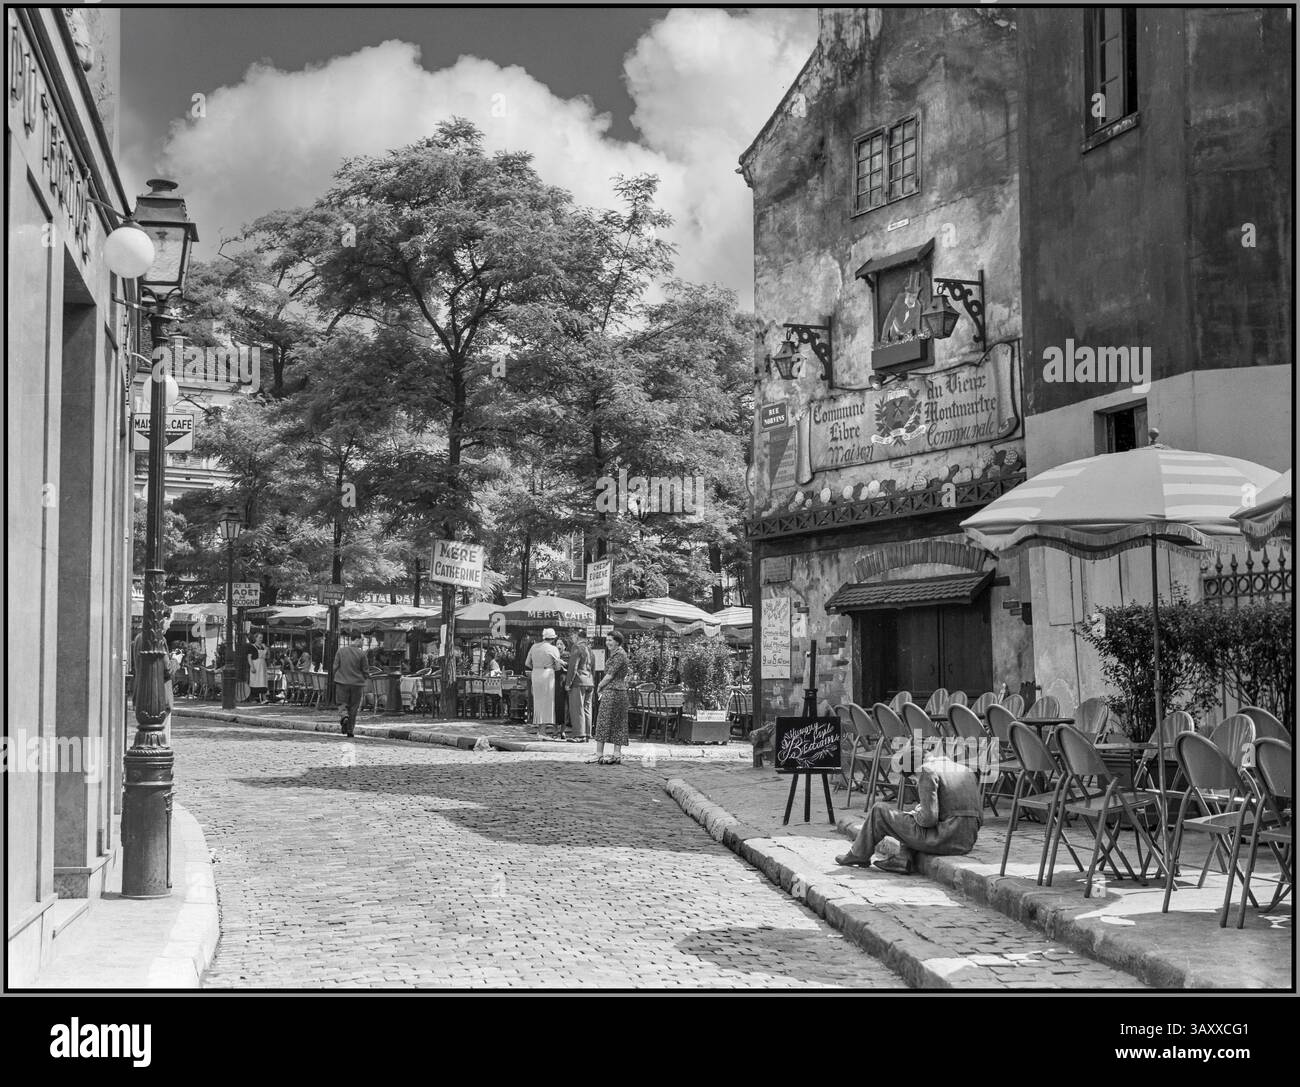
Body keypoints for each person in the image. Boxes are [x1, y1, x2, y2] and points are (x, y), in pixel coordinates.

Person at [835, 750, 983, 873]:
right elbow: (979, 817)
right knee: (910, 821)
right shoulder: (965, 770)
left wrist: (915, 814)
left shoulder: (927, 771)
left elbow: (928, 819)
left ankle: (858, 854)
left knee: (879, 811)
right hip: (967, 841)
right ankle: (902, 859)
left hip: (944, 840)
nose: (915, 782)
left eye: (914, 778)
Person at [591, 631, 630, 765]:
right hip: (619, 691)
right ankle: (616, 754)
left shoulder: (619, 655)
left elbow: (610, 675)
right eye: (607, 640)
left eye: (610, 640)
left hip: (613, 691)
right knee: (617, 722)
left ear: (617, 641)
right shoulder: (618, 654)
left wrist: (599, 685)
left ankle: (600, 754)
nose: (608, 642)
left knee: (604, 720)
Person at [524, 628, 566, 738]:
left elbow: (527, 663)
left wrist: (537, 667)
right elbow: (557, 667)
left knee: (538, 702)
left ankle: (540, 730)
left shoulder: (534, 647)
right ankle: (542, 731)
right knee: (547, 703)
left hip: (536, 673)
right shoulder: (553, 649)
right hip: (548, 674)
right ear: (553, 638)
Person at [333, 631, 369, 737]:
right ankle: (350, 730)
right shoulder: (362, 654)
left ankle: (344, 716)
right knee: (354, 707)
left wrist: (335, 677)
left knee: (342, 703)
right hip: (357, 684)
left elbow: (335, 667)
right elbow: (365, 670)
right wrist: (365, 677)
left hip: (342, 682)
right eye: (362, 640)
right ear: (357, 639)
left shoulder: (340, 651)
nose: (363, 642)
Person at [564, 629, 595, 743]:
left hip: (578, 681)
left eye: (572, 636)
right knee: (587, 708)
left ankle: (579, 734)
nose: (572, 638)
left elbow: (573, 666)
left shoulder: (577, 647)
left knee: (577, 708)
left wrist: (568, 683)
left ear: (577, 636)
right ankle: (587, 733)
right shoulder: (589, 649)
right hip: (589, 681)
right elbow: (593, 668)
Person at [246, 631, 269, 704]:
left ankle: (264, 698)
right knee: (255, 681)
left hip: (262, 665)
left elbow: (267, 656)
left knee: (263, 681)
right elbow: (249, 657)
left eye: (262, 638)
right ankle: (252, 698)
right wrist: (252, 667)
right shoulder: (252, 646)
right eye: (259, 638)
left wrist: (266, 649)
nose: (261, 639)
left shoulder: (263, 647)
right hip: (256, 665)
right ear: (255, 638)